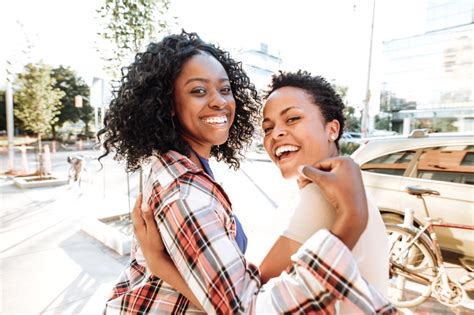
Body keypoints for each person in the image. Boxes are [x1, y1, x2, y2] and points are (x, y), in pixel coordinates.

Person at [100, 31, 395, 314]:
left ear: (333, 128)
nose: (277, 134)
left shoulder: (179, 168)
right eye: (199, 90)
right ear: (168, 105)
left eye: (225, 89)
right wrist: (352, 218)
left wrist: (159, 264)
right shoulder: (186, 189)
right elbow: (250, 305)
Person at [258, 70, 389, 314]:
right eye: (268, 128)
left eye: (292, 118)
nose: (275, 134)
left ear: (332, 130)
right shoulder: (337, 191)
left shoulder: (321, 197)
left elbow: (253, 291)